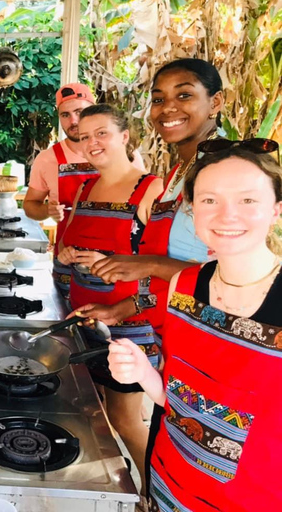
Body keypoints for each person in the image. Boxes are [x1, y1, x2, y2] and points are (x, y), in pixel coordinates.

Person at [73, 58, 225, 497]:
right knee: (164, 437)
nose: (167, 108)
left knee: (192, 456)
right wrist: (123, 306)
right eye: (158, 99)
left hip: (210, 339)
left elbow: (228, 273)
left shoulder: (221, 167)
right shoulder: (181, 172)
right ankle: (147, 499)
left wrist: (146, 266)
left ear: (215, 102)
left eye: (184, 95)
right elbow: (166, 267)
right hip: (172, 328)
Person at [108, 142, 282, 511]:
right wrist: (142, 372)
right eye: (209, 200)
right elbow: (178, 402)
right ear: (191, 209)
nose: (226, 215)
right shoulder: (184, 285)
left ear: (276, 210)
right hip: (166, 488)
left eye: (248, 201)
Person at [57, 104, 163, 491]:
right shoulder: (85, 187)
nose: (92, 143)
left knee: (124, 417)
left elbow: (165, 265)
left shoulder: (150, 188)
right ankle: (119, 489)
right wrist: (68, 254)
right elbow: (68, 244)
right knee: (97, 411)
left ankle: (155, 491)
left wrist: (114, 265)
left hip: (130, 323)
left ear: (124, 135)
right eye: (84, 137)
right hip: (87, 320)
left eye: (101, 133)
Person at [23, 83, 145, 297]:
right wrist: (47, 212)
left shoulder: (131, 159)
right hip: (69, 261)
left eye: (79, 112)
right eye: (65, 115)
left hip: (117, 267)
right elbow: (30, 205)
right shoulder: (48, 159)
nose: (74, 122)